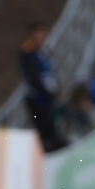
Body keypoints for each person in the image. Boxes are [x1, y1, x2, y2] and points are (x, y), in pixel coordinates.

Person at [18, 22, 68, 152]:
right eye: (38, 33)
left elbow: (51, 74)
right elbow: (33, 76)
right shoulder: (29, 51)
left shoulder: (45, 51)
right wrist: (47, 92)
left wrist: (56, 90)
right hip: (38, 97)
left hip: (49, 95)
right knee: (45, 128)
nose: (41, 36)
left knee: (53, 126)